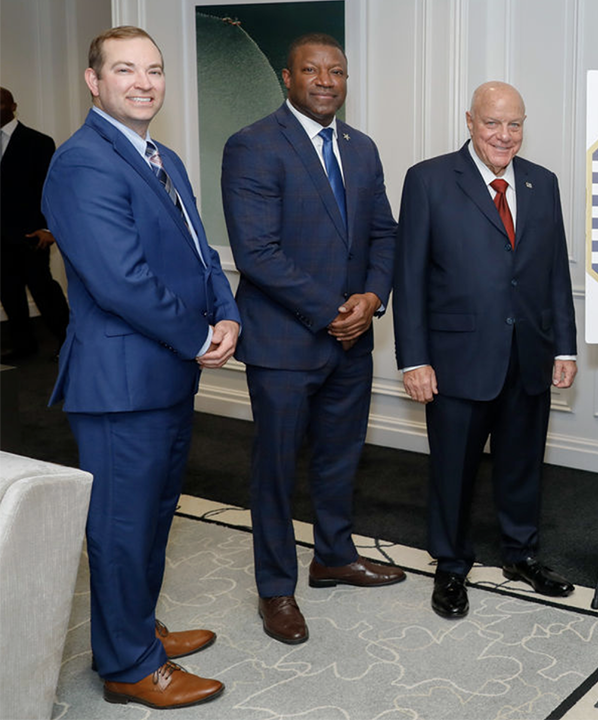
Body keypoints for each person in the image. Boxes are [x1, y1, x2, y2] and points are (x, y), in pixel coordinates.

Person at [41, 25, 239, 709]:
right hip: (121, 384)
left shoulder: (164, 157)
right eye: (125, 70)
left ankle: (136, 631)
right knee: (123, 529)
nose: (143, 83)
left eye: (153, 70)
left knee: (152, 517)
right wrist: (197, 336)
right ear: (94, 82)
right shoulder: (82, 163)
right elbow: (122, 281)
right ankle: (128, 665)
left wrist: (228, 313)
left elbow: (199, 253)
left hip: (165, 376)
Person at [221, 33, 404, 645]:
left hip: (352, 339)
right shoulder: (252, 145)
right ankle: (276, 589)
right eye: (312, 70)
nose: (326, 81)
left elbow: (384, 233)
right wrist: (331, 310)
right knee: (274, 471)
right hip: (285, 343)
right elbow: (256, 253)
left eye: (337, 72)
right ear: (287, 77)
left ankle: (333, 556)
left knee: (339, 457)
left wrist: (373, 298)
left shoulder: (361, 147)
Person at [392, 81, 578, 620]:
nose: (504, 135)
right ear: (470, 121)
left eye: (514, 124)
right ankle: (450, 566)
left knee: (523, 465)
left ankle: (522, 555)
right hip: (454, 360)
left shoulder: (543, 184)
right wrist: (413, 358)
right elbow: (409, 277)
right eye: (493, 123)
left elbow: (553, 274)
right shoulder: (428, 180)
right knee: (454, 470)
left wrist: (563, 347)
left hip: (529, 354)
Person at [0, 86, 69, 361]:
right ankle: (23, 346)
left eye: (0, 104)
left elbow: (51, 190)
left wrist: (50, 229)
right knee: (9, 293)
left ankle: (70, 343)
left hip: (32, 235)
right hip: (1, 237)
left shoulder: (38, 142)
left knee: (44, 290)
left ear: (13, 106)